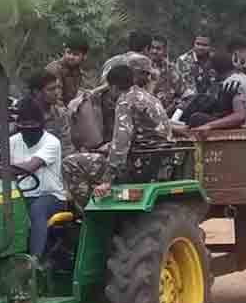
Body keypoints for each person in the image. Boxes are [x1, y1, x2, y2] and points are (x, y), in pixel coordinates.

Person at [63, 60, 172, 208]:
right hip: (160, 161)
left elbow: (121, 143)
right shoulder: (148, 97)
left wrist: (107, 179)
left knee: (71, 163)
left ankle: (92, 210)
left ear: (113, 86)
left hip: (139, 165)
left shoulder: (125, 101)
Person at [8, 97, 67, 263]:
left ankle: (33, 261)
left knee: (37, 209)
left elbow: (29, 167)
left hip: (51, 196)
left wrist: (4, 168)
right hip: (20, 195)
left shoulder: (51, 142)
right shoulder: (12, 142)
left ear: (41, 126)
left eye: (32, 128)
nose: (27, 133)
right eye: (23, 128)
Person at [190, 51, 246, 131]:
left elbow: (240, 116)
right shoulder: (242, 77)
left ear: (212, 73)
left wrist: (209, 125)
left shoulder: (231, 83)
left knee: (197, 118)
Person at [27, 69, 71, 152]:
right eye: (51, 89)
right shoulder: (24, 115)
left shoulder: (60, 113)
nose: (57, 92)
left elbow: (66, 146)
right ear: (37, 92)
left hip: (57, 158)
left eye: (57, 88)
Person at [172, 33, 215, 118]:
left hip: (209, 102)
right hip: (187, 102)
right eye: (198, 44)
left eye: (205, 45)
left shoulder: (214, 60)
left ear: (210, 47)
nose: (201, 47)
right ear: (193, 44)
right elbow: (180, 87)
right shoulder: (183, 60)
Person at [46, 38, 90, 105]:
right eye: (68, 53)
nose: (71, 57)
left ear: (84, 57)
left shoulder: (79, 72)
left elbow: (85, 91)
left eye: (76, 54)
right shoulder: (55, 68)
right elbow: (56, 100)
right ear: (64, 52)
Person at [148, 34, 181, 113]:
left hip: (168, 113)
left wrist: (170, 109)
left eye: (158, 49)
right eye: (152, 48)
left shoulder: (171, 69)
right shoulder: (143, 68)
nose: (154, 51)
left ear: (165, 50)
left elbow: (182, 94)